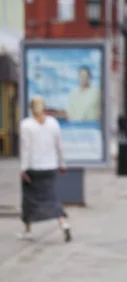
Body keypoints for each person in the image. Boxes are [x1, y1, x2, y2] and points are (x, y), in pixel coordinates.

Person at [19, 96, 72, 242]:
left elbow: (26, 148)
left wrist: (23, 168)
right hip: (50, 167)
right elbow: (59, 146)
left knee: (28, 199)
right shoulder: (53, 123)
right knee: (52, 197)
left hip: (33, 168)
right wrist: (62, 164)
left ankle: (28, 229)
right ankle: (63, 223)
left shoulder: (26, 125)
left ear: (31, 108)